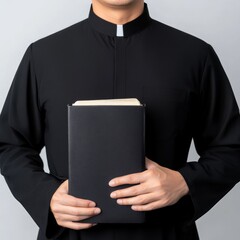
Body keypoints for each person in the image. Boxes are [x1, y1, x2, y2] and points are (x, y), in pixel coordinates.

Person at [0, 1, 240, 239]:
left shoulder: (194, 54)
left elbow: (232, 148)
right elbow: (10, 144)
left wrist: (184, 181)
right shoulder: (43, 55)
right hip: (71, 234)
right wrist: (47, 196)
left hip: (165, 232)